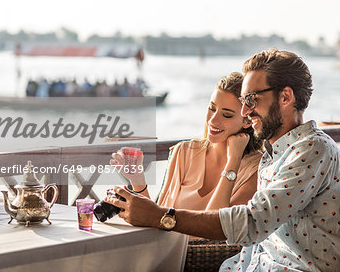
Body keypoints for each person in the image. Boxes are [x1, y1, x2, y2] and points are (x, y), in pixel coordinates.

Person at [106, 49, 340, 271]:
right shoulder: (275, 153)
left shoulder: (312, 149)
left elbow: (252, 222)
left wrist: (161, 216)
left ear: (285, 97)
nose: (246, 112)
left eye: (251, 99)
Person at [111, 72, 263, 210]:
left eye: (227, 115)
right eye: (212, 108)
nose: (213, 120)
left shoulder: (255, 169)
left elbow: (217, 225)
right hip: (169, 241)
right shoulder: (184, 152)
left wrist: (233, 161)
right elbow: (157, 218)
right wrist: (138, 179)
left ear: (247, 121)